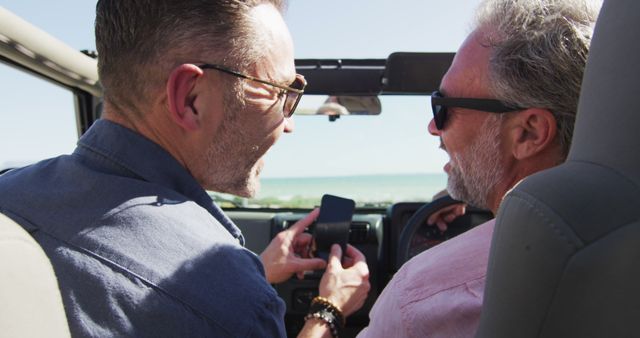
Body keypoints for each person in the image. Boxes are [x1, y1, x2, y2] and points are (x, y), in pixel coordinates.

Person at [0, 0, 370, 337]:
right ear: (191, 98)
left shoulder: (9, 195)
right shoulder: (233, 302)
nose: (288, 123)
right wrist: (328, 311)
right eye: (279, 92)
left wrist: (259, 270)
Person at [357, 0, 601, 337]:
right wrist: (483, 188)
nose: (432, 126)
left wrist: (326, 309)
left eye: (443, 108)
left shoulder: (419, 300)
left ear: (529, 132)